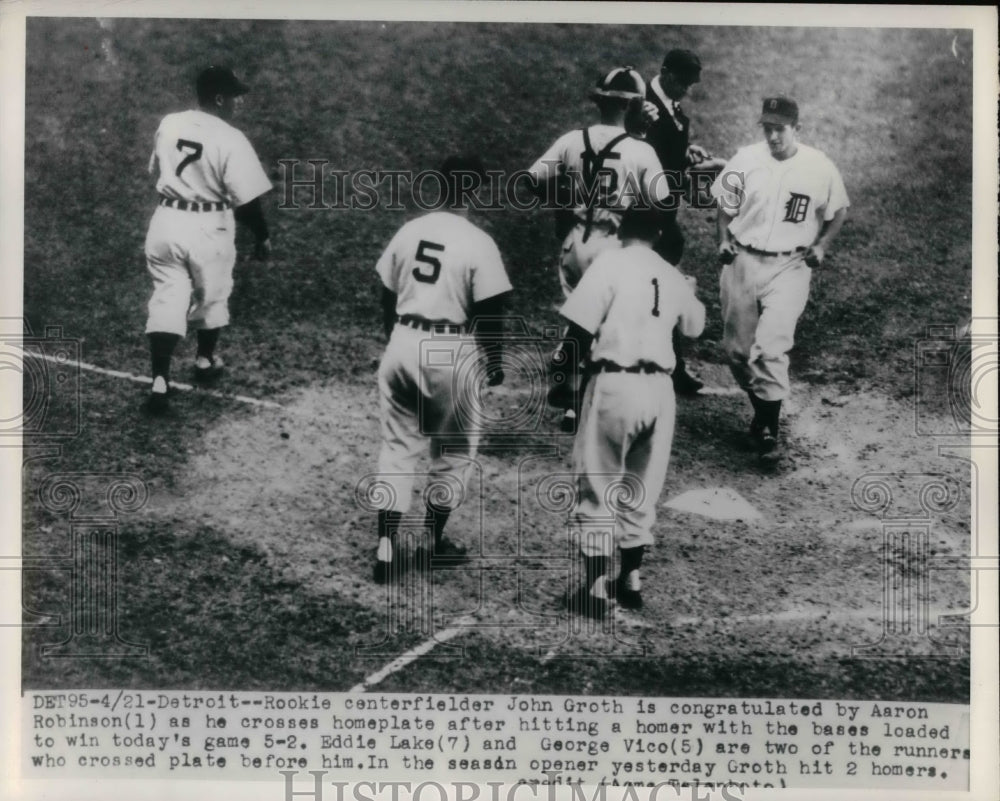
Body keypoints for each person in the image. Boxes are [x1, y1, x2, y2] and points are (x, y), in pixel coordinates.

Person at [548, 206, 705, 618]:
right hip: (660, 391)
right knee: (641, 487)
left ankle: (596, 590)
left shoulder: (609, 263)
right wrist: (689, 289)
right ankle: (631, 580)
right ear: (657, 233)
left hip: (615, 384)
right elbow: (694, 327)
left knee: (599, 484)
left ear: (621, 228)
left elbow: (579, 329)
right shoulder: (670, 273)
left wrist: (564, 380)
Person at [371, 156, 512, 584]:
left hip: (403, 342)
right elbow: (490, 311)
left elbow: (385, 292)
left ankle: (385, 545)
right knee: (452, 453)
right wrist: (494, 360)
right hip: (450, 350)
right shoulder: (478, 242)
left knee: (397, 447)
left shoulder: (410, 230)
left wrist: (396, 336)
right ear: (473, 192)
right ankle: (433, 542)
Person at [527, 66, 670, 431]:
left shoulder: (571, 140)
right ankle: (577, 391)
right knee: (606, 326)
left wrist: (562, 201)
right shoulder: (640, 151)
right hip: (614, 247)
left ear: (601, 103)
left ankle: (571, 393)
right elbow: (662, 206)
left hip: (575, 242)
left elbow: (529, 180)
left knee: (581, 316)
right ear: (634, 105)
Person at [711, 97, 849, 464]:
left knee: (770, 347)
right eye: (767, 128)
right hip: (742, 261)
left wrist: (822, 245)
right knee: (738, 353)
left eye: (780, 129)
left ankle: (770, 427)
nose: (772, 136)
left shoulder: (818, 167)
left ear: (796, 128)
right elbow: (725, 205)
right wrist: (723, 239)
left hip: (790, 267)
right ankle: (763, 411)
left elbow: (838, 209)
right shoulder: (745, 159)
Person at [143, 65, 272, 414]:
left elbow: (157, 169)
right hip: (209, 226)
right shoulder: (231, 138)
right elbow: (246, 202)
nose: (237, 103)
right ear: (219, 98)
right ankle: (203, 359)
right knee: (211, 294)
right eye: (234, 97)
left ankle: (159, 379)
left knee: (168, 297)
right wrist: (261, 235)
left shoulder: (170, 123)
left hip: (166, 221)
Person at [638, 48, 727, 397]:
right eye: (684, 83)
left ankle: (671, 365)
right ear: (666, 73)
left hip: (660, 216)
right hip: (644, 218)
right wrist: (699, 170)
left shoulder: (670, 109)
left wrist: (686, 152)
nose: (687, 91)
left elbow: (667, 153)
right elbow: (651, 169)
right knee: (655, 289)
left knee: (662, 286)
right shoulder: (645, 107)